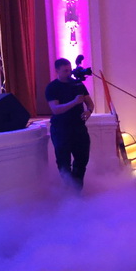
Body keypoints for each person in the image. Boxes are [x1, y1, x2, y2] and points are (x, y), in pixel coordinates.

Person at [45, 58, 94, 190]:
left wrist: (89, 111)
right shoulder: (52, 87)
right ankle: (69, 190)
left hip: (79, 127)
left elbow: (90, 103)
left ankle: (77, 190)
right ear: (57, 71)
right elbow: (55, 109)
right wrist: (74, 102)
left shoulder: (78, 84)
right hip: (61, 129)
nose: (69, 73)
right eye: (65, 71)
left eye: (70, 70)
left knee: (82, 159)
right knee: (64, 162)